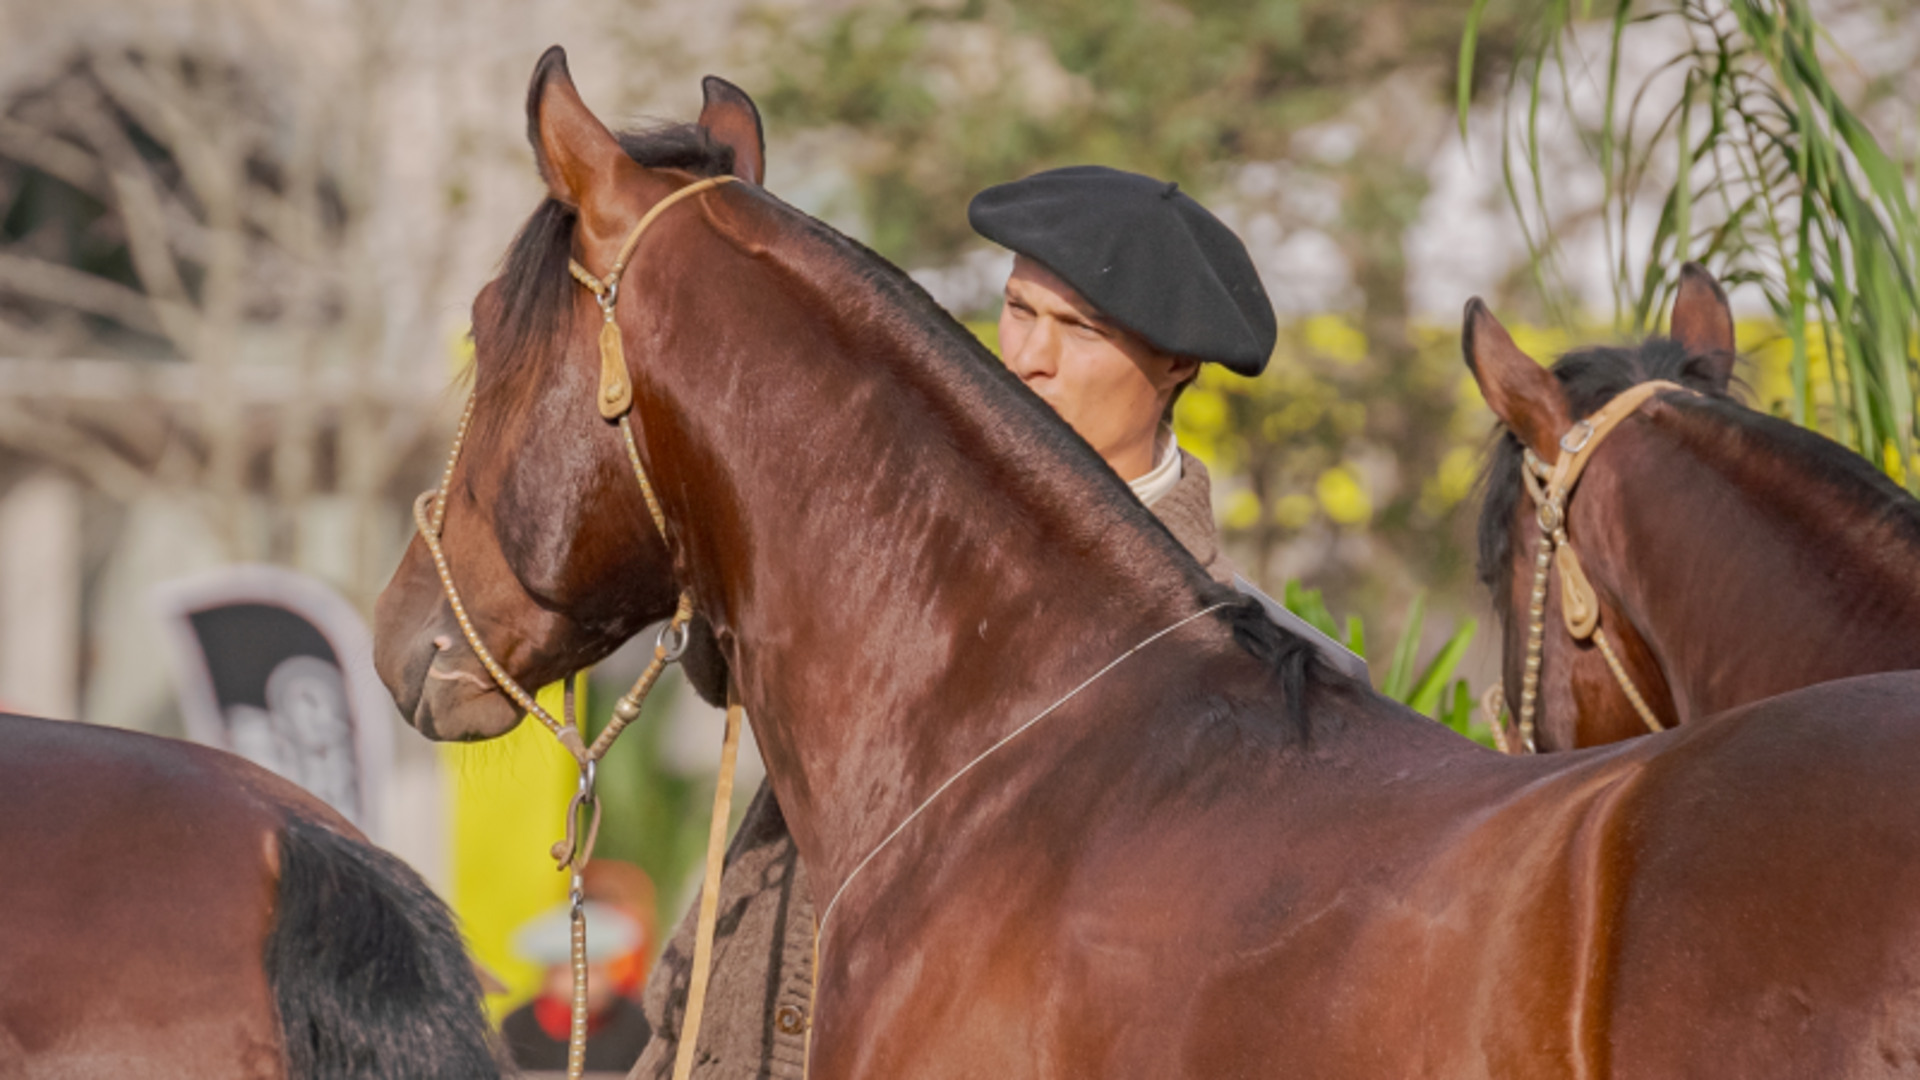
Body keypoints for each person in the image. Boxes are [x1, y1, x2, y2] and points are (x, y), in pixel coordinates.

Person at [628, 166, 1288, 1080]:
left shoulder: (1245, 668)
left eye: (1078, 331)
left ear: (1177, 365)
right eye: (1019, 311)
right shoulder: (889, 548)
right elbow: (725, 663)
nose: (1026, 359)